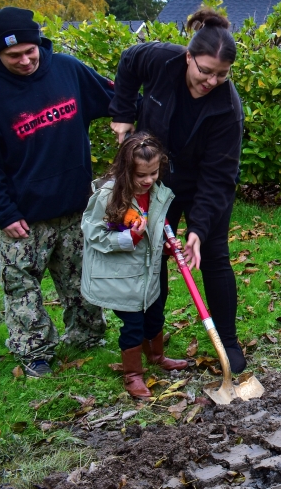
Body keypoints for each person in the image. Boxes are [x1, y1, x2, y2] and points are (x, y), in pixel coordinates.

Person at [0, 7, 113, 377]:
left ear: (39, 42)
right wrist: (3, 211)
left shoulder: (66, 69)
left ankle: (87, 336)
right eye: (13, 55)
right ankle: (35, 352)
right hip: (23, 216)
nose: (25, 60)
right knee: (22, 289)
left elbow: (115, 99)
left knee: (81, 282)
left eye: (29, 51)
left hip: (74, 206)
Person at [108, 8, 246, 372]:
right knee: (152, 257)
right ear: (188, 57)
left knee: (214, 256)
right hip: (155, 178)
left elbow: (219, 178)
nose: (212, 81)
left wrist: (197, 229)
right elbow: (127, 62)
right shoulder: (160, 59)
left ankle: (227, 342)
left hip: (203, 182)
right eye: (204, 70)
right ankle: (148, 338)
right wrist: (122, 112)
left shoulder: (228, 110)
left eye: (222, 74)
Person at [81, 133, 186, 398]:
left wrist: (163, 245)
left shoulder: (157, 193)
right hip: (121, 274)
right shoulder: (108, 195)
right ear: (126, 170)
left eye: (153, 173)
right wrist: (129, 238)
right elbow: (93, 234)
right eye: (142, 175)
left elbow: (153, 229)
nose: (149, 180)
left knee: (155, 315)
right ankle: (133, 374)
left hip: (148, 272)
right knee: (133, 324)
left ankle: (156, 356)